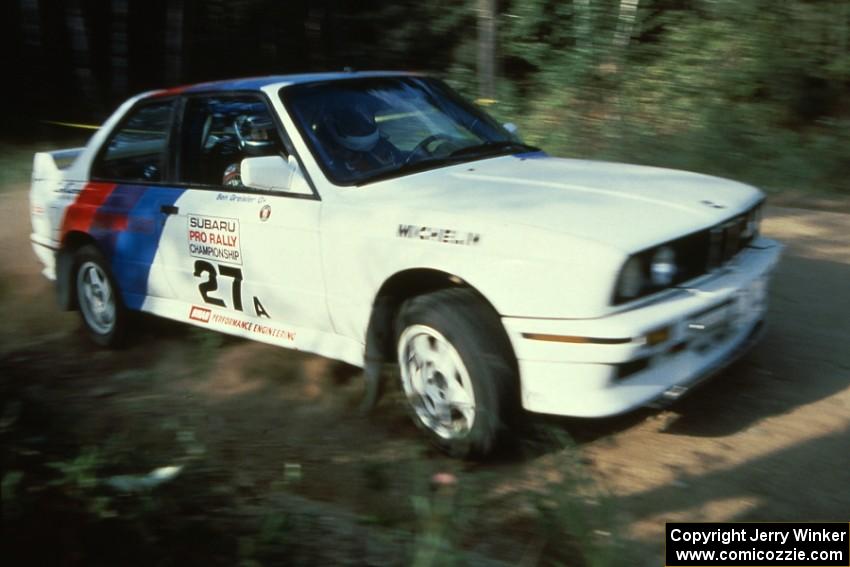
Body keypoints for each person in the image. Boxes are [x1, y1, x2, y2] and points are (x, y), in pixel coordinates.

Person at [318, 96, 401, 178]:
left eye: (364, 121)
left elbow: (401, 159)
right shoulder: (332, 166)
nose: (362, 126)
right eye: (353, 126)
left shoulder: (382, 145)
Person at [222, 114, 279, 187]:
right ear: (247, 136)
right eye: (259, 132)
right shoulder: (236, 169)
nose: (266, 136)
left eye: (268, 132)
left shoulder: (279, 159)